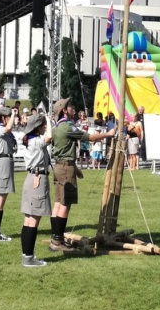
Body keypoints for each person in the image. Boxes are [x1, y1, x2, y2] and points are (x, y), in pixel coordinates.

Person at [48, 98, 114, 252]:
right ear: (64, 110)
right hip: (65, 169)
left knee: (58, 203)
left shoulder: (57, 127)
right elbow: (90, 138)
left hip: (60, 166)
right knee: (65, 204)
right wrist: (108, 134)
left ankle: (55, 237)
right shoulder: (67, 127)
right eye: (71, 106)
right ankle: (58, 241)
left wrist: (75, 167)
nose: (73, 107)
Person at [19, 114, 52, 267]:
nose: (45, 127)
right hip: (38, 180)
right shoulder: (36, 142)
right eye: (43, 124)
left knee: (28, 220)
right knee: (34, 220)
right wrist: (50, 120)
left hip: (30, 179)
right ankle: (29, 257)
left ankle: (26, 255)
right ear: (38, 127)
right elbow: (49, 138)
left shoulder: (31, 140)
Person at [0, 106, 17, 242]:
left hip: (6, 162)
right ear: (3, 118)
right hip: (3, 162)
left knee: (1, 200)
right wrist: (13, 114)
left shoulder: (2, 129)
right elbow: (8, 128)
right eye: (8, 117)